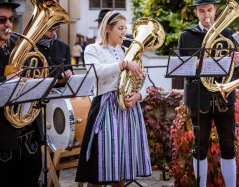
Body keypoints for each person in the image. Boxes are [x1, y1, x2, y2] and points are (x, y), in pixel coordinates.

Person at [75, 11, 152, 187]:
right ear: (108, 28)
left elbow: (141, 78)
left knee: (121, 170)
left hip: (127, 109)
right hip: (105, 107)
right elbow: (97, 72)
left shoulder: (126, 50)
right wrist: (124, 64)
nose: (124, 32)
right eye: (120, 28)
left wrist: (139, 95)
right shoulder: (93, 49)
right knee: (98, 171)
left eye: (125, 28)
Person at [178, 0, 239, 187]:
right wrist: (197, 63)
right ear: (196, 12)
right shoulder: (187, 35)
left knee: (229, 146)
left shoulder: (227, 33)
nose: (207, 15)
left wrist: (237, 62)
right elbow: (180, 68)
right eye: (202, 11)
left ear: (215, 10)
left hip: (224, 97)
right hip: (199, 98)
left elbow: (238, 67)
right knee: (200, 147)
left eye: (210, 10)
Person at [0, 0, 43, 186]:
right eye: (2, 20)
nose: (8, 24)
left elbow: (36, 72)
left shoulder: (17, 45)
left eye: (11, 19)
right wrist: (6, 80)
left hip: (28, 138)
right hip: (3, 143)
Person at [36, 22, 72, 87]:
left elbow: (68, 68)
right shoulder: (31, 46)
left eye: (55, 29)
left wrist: (68, 73)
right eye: (50, 30)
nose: (53, 32)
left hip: (59, 87)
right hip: (38, 87)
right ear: (41, 28)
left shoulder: (64, 46)